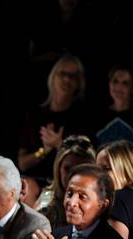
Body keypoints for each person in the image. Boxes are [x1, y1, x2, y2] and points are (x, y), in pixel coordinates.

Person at [18, 54, 92, 184]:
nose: (67, 79)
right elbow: (23, 164)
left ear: (79, 83)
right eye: (62, 73)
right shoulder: (35, 114)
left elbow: (86, 165)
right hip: (34, 183)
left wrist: (60, 145)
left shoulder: (83, 117)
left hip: (67, 185)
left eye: (73, 76)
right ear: (53, 77)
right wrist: (44, 151)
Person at [35, 135, 96, 230]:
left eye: (81, 169)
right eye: (67, 169)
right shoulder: (46, 207)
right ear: (58, 169)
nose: (73, 176)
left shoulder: (102, 203)